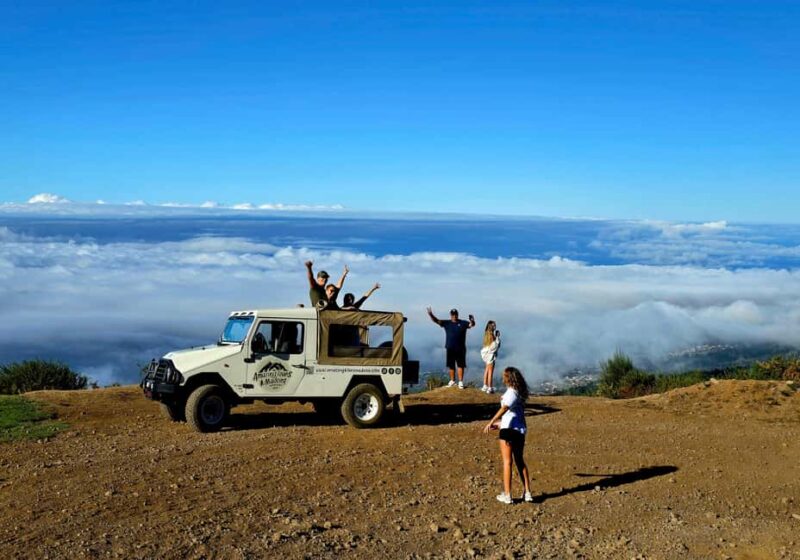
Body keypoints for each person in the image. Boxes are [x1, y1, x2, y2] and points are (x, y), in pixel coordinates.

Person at [483, 367, 533, 504]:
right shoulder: (519, 394)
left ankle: (507, 495)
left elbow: (505, 408)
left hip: (508, 432)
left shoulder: (511, 393)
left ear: (508, 378)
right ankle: (527, 492)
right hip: (519, 431)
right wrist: (498, 424)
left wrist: (491, 421)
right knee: (519, 461)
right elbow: (514, 416)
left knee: (507, 462)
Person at [427, 307, 476, 389]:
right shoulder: (447, 323)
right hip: (450, 348)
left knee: (460, 365)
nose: (454, 316)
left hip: (460, 348)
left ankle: (460, 382)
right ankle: (452, 381)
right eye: (453, 315)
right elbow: (436, 321)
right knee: (451, 365)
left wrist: (472, 320)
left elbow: (471, 325)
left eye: (455, 314)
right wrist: (431, 315)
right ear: (451, 315)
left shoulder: (463, 323)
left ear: (457, 315)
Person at [480, 321, 501, 393]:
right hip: (490, 355)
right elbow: (494, 346)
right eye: (494, 326)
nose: (495, 327)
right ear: (491, 327)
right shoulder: (492, 335)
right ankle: (490, 387)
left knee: (486, 370)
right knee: (490, 372)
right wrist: (497, 337)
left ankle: (484, 386)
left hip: (485, 354)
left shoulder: (486, 334)